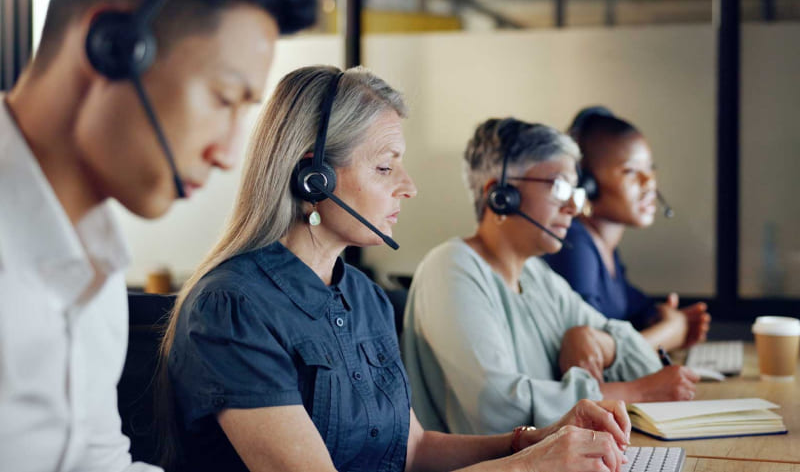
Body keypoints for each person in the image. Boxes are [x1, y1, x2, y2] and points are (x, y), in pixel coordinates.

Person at [160, 66, 634, 472]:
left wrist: (535, 441)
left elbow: (413, 449)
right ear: (314, 177)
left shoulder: (363, 297)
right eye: (385, 168)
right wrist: (529, 467)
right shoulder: (233, 308)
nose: (408, 187)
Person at [0, 0, 315, 471]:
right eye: (223, 99)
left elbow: (94, 462)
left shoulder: (94, 261)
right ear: (113, 44)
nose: (229, 155)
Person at [402, 118, 700, 436]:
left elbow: (646, 365)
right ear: (500, 194)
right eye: (559, 187)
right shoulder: (451, 268)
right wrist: (635, 393)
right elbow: (498, 411)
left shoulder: (536, 276)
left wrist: (603, 341)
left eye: (576, 191)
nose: (573, 206)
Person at [544, 107, 710, 352]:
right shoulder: (574, 246)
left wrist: (660, 318)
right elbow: (591, 353)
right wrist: (670, 332)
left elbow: (636, 308)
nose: (649, 182)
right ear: (585, 183)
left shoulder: (605, 249)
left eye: (650, 169)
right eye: (631, 171)